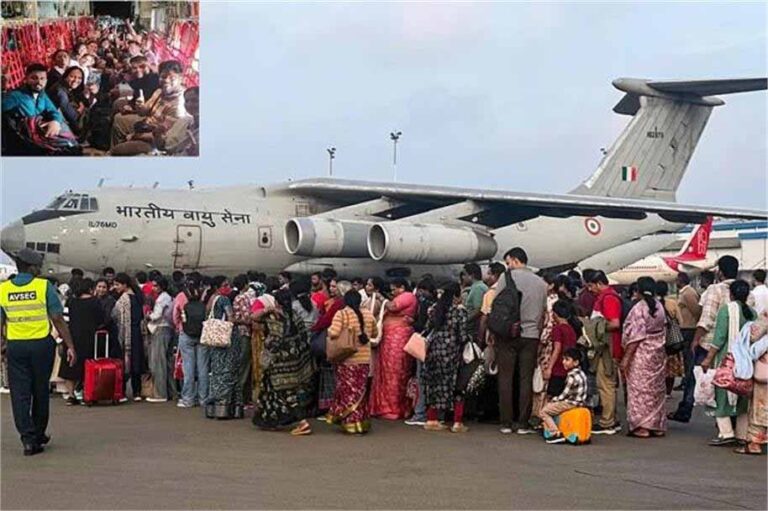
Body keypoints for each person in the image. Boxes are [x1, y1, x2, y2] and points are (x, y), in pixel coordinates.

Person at [0, 249, 76, 456]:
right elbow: (58, 319)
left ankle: (27, 438)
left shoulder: (3, 290)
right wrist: (70, 345)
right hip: (41, 345)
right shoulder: (43, 287)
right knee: (40, 390)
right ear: (31, 267)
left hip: (16, 347)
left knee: (20, 393)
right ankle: (38, 433)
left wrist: (2, 346)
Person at [492, 247, 548, 435]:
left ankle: (506, 422)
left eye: (508, 263)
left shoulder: (505, 278)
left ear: (515, 260)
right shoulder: (541, 283)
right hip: (531, 335)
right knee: (525, 379)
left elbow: (497, 306)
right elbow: (543, 314)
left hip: (508, 334)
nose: (508, 266)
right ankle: (522, 423)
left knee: (506, 378)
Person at [253, 289, 314, 435]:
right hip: (294, 361)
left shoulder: (275, 317)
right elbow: (303, 337)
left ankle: (302, 422)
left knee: (286, 392)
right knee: (270, 388)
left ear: (276, 302)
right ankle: (270, 419)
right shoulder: (294, 315)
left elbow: (271, 337)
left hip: (278, 362)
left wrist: (266, 357)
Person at [701, 280, 755, 446]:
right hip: (747, 360)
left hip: (727, 358)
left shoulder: (726, 310)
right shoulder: (752, 312)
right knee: (743, 395)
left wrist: (708, 358)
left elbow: (719, 338)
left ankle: (726, 433)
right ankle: (742, 434)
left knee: (722, 393)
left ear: (730, 294)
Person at [620, 277, 668, 438]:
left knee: (639, 390)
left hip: (641, 353)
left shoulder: (639, 309)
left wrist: (626, 358)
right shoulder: (659, 306)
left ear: (638, 290)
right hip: (657, 353)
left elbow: (636, 336)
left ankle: (642, 425)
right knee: (655, 390)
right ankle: (656, 424)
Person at [326, 290, 378, 434]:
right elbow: (374, 333)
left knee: (348, 390)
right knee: (360, 391)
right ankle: (361, 422)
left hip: (347, 359)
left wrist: (330, 332)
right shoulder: (368, 314)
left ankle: (350, 422)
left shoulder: (342, 314)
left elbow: (334, 332)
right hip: (364, 359)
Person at [423, 283, 471, 433]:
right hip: (451, 353)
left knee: (434, 385)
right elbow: (462, 336)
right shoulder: (459, 313)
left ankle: (432, 419)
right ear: (456, 296)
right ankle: (457, 422)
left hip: (433, 351)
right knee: (457, 386)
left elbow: (427, 328)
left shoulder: (434, 310)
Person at [110, 59, 189, 149]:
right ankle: (114, 147)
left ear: (181, 79)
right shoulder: (159, 91)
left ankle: (116, 151)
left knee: (119, 150)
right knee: (118, 118)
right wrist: (139, 106)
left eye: (172, 78)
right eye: (163, 77)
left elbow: (165, 138)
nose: (166, 80)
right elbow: (143, 112)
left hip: (155, 140)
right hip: (146, 124)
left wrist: (135, 136)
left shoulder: (179, 105)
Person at [370, 277, 418, 420]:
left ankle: (394, 408)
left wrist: (380, 297)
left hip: (398, 340)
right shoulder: (403, 296)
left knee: (395, 374)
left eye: (394, 289)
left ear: (402, 287)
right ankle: (384, 406)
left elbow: (393, 307)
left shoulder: (408, 297)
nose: (393, 292)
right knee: (385, 373)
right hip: (390, 341)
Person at [587, 270, 623, 435]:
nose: (590, 289)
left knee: (606, 385)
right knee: (608, 384)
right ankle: (611, 419)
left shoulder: (608, 299)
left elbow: (615, 323)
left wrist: (596, 327)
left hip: (608, 348)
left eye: (591, 286)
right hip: (607, 347)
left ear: (599, 284)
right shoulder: (607, 297)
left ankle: (607, 421)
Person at [58, 278, 103, 405]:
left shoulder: (71, 301)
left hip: (71, 338)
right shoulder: (95, 302)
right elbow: (101, 319)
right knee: (87, 367)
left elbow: (65, 319)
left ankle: (71, 395)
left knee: (70, 366)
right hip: (89, 338)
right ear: (91, 289)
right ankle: (86, 393)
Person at [669, 272, 703, 423]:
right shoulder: (683, 292)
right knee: (686, 363)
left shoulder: (688, 293)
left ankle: (687, 401)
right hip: (685, 329)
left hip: (689, 329)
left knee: (689, 364)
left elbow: (697, 311)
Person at [205, 276, 240, 419]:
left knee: (216, 372)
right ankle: (226, 404)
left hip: (214, 341)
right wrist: (244, 320)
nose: (228, 287)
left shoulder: (211, 300)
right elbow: (231, 318)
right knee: (228, 371)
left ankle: (213, 405)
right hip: (226, 340)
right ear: (217, 287)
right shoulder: (224, 300)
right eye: (225, 285)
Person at [404, 277, 437, 427]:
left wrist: (412, 322)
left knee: (421, 378)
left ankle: (420, 413)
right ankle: (434, 413)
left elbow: (420, 325)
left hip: (422, 344)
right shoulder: (437, 303)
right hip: (435, 345)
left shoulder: (424, 304)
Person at [539, 347, 588, 444]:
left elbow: (564, 395)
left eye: (567, 360)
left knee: (544, 412)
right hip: (580, 402)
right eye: (564, 359)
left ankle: (555, 432)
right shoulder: (582, 373)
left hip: (571, 403)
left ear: (576, 362)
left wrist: (554, 400)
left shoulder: (571, 376)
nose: (564, 362)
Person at [111, 273, 145, 401]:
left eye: (117, 284)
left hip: (126, 332)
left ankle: (123, 392)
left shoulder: (124, 299)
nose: (115, 287)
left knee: (124, 362)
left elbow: (115, 315)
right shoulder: (137, 297)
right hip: (137, 333)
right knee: (136, 361)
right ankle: (137, 392)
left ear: (125, 285)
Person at [177, 278, 210, 408]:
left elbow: (176, 316)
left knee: (188, 368)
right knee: (203, 368)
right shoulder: (204, 306)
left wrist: (180, 327)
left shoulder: (183, 303)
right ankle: (203, 398)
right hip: (202, 336)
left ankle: (188, 399)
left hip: (186, 335)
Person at [544, 300, 582, 401]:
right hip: (569, 368)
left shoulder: (557, 329)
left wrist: (549, 368)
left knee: (552, 397)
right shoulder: (571, 329)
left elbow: (557, 348)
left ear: (555, 314)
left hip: (558, 368)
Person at [146, 276, 174, 403]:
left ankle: (160, 393)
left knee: (158, 363)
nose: (153, 288)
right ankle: (169, 392)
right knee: (166, 362)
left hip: (160, 329)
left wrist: (148, 315)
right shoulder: (168, 297)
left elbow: (156, 316)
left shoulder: (162, 299)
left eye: (155, 285)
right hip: (167, 329)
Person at [231, 274, 255, 416]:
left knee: (245, 365)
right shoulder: (243, 298)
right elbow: (246, 318)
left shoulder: (238, 298)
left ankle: (244, 398)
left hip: (242, 332)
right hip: (245, 333)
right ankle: (241, 398)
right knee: (244, 366)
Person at [657, 281, 684, 397]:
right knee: (671, 369)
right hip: (671, 340)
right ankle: (668, 391)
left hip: (658, 340)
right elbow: (680, 321)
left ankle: (658, 390)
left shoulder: (653, 304)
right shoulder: (672, 303)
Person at [47, 66, 87, 137]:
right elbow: (71, 115)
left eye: (79, 78)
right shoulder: (60, 91)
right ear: (65, 76)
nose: (75, 80)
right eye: (72, 76)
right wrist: (80, 111)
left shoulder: (71, 89)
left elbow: (85, 101)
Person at [462, 263, 488, 341]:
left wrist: (465, 320)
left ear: (471, 275)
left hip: (473, 328)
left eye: (465, 274)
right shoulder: (476, 287)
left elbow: (478, 309)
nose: (463, 278)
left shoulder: (478, 288)